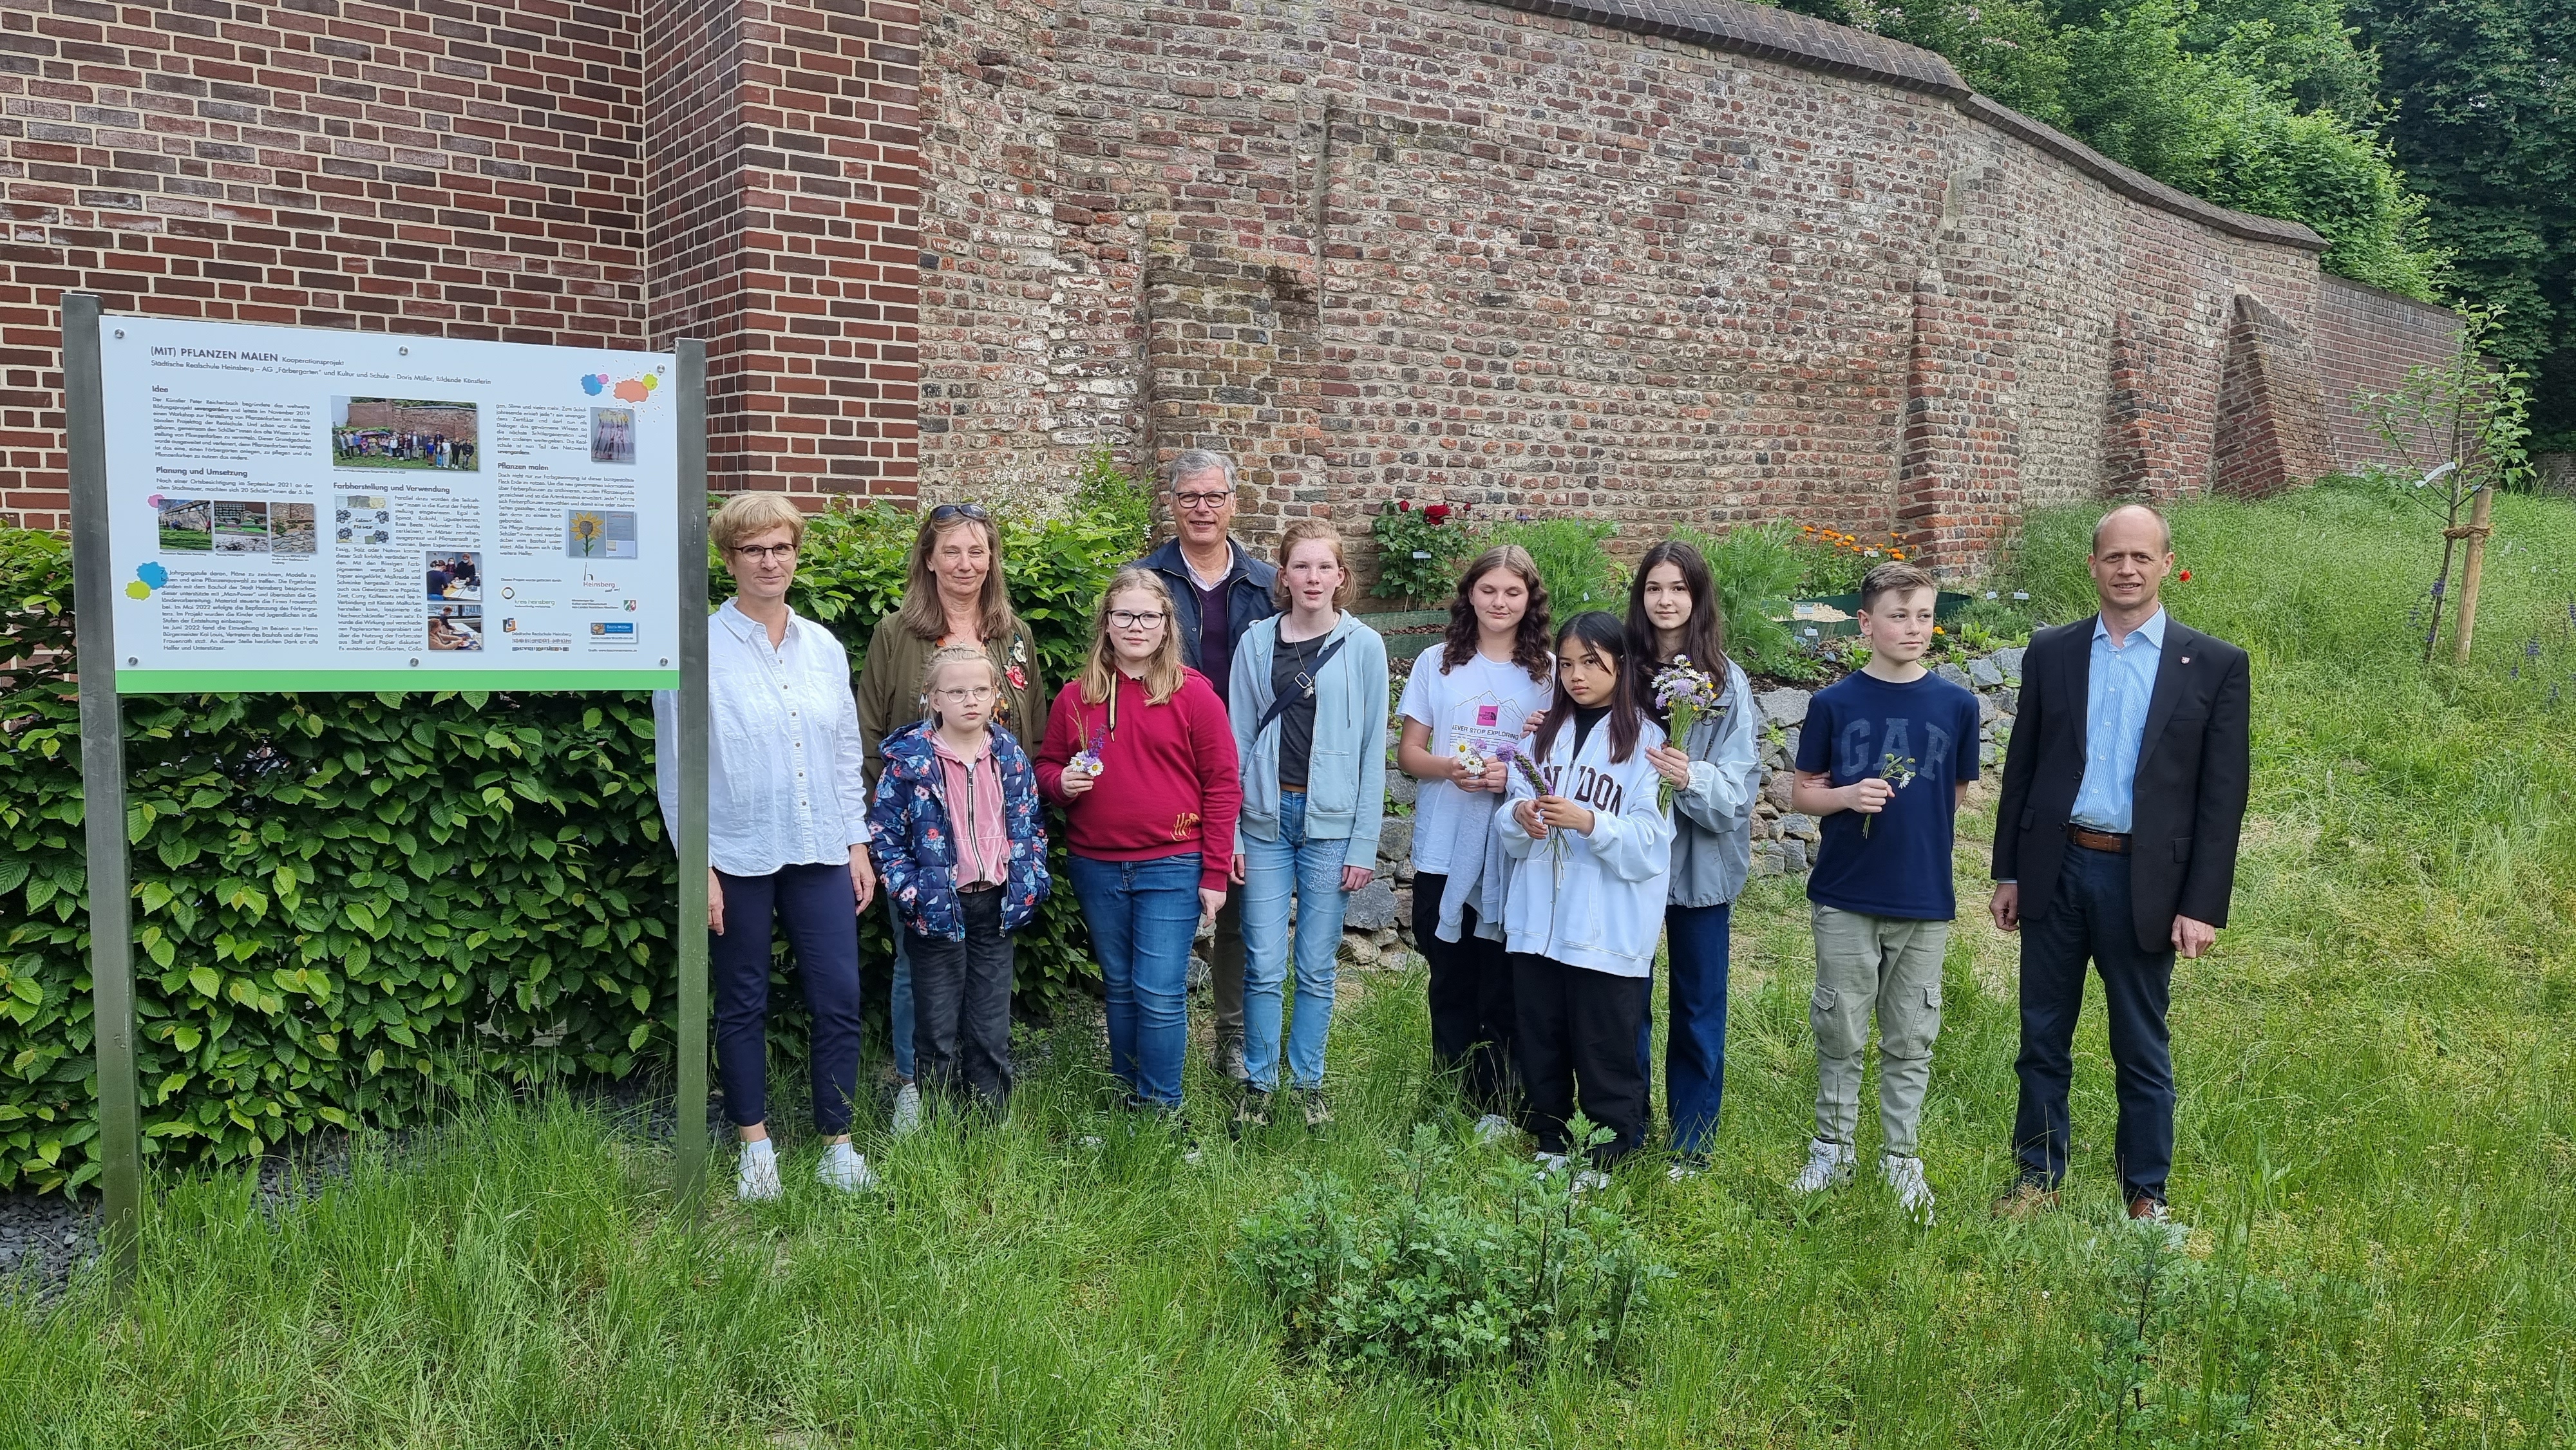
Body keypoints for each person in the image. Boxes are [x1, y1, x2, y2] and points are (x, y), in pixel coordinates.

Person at [1991, 504, 2250, 1223]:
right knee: (2041, 1035)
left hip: (2145, 881)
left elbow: (2221, 799)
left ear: (2168, 563)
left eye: (2141, 557)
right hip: (2057, 866)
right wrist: (2009, 871)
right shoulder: (2052, 650)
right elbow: (2023, 769)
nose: (2127, 569)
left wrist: (2201, 903)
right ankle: (2036, 1179)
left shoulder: (2215, 665)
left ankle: (2146, 1193)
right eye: (2113, 556)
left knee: (2140, 1043)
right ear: (2093, 565)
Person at [654, 492, 879, 1201]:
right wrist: (703, 867)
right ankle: (756, 1148)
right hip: (737, 852)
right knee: (743, 1000)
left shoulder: (822, 646)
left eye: (781, 547)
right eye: (754, 549)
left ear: (796, 554)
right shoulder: (698, 645)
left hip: (818, 848)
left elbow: (845, 750)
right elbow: (676, 765)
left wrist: (857, 841)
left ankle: (837, 1144)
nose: (769, 560)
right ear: (729, 560)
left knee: (840, 995)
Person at [1787, 561, 1980, 1223]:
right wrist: (1846, 796)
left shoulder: (1956, 704)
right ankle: (1832, 1148)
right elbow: (1800, 790)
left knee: (1911, 1033)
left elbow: (1956, 794)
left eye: (1924, 615)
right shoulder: (1833, 703)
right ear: (1866, 623)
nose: (1914, 627)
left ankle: (1901, 1158)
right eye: (1899, 615)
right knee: (1839, 1024)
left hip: (1924, 897)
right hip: (1844, 893)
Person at [857, 503, 1046, 1135]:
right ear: (929, 558)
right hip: (920, 845)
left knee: (990, 976)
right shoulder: (897, 632)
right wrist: (878, 842)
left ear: (991, 558)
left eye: (978, 550)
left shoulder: (1012, 634)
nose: (965, 563)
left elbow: (1032, 733)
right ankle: (916, 1085)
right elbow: (871, 735)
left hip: (992, 853)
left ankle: (982, 1096)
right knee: (920, 964)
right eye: (952, 551)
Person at [1036, 569, 1241, 1115]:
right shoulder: (1077, 698)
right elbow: (1047, 765)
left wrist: (1215, 871)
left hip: (1172, 861)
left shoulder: (1194, 694)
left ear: (1166, 625)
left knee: (1158, 990)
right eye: (1123, 615)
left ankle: (1164, 1110)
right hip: (1097, 864)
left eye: (1148, 616)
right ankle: (1127, 1101)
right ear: (1105, 623)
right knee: (1121, 988)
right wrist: (1061, 784)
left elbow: (1222, 784)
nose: (1136, 626)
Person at [1497, 611, 1674, 1172]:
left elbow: (1651, 843)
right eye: (1566, 664)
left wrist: (1591, 821)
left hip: (1605, 924)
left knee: (1605, 1047)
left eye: (1591, 664)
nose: (1576, 676)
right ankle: (1551, 1141)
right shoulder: (1542, 733)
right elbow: (1509, 814)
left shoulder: (1647, 742)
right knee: (1542, 1038)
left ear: (1620, 666)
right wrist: (1521, 816)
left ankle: (1610, 1155)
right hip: (1538, 920)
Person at [1227, 520, 1387, 1133]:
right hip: (1267, 820)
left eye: (1325, 567)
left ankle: (1307, 1084)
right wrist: (1236, 832)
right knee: (1265, 963)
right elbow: (1239, 738)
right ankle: (1261, 1084)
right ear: (1283, 575)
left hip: (1331, 826)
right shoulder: (1257, 642)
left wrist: (1364, 841)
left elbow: (1374, 748)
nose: (1313, 578)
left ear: (1341, 577)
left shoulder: (1364, 646)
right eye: (1301, 566)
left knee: (1317, 966)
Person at [1394, 545, 1552, 1140]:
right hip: (1444, 842)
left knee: (1503, 977)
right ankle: (1449, 1090)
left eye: (1513, 592)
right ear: (1470, 595)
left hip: (1513, 849)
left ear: (1530, 600)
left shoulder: (1548, 673)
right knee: (1449, 974)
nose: (1499, 602)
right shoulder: (1437, 663)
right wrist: (1450, 770)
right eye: (1489, 590)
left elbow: (1554, 767)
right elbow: (1409, 754)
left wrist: (1513, 775)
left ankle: (1500, 1100)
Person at [1133, 449, 1278, 1087]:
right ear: (1172, 503)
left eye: (1213, 496)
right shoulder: (1144, 580)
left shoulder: (1265, 583)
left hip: (1241, 762)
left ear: (1233, 504)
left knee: (1239, 917)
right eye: (1189, 496)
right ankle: (1149, 1046)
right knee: (1159, 905)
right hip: (1164, 762)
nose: (1202, 508)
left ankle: (1233, 1038)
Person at [1625, 540, 1761, 1180]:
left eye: (1678, 588)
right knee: (1624, 999)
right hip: (1625, 861)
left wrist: (1691, 776)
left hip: (1700, 866)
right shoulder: (1619, 669)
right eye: (1654, 587)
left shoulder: (1724, 680)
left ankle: (1691, 1143)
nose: (1666, 600)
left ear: (1698, 596)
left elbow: (1737, 789)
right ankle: (1621, 1125)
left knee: (1699, 1005)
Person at [869, 645, 1050, 1117]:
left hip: (995, 907)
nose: (970, 700)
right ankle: (940, 1129)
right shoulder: (910, 763)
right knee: (936, 1029)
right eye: (956, 691)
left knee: (990, 1027)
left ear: (996, 697)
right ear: (932, 698)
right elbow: (884, 835)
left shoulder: (1008, 756)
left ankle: (991, 1128)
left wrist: (1028, 878)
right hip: (935, 911)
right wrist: (912, 892)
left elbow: (1030, 823)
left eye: (980, 690)